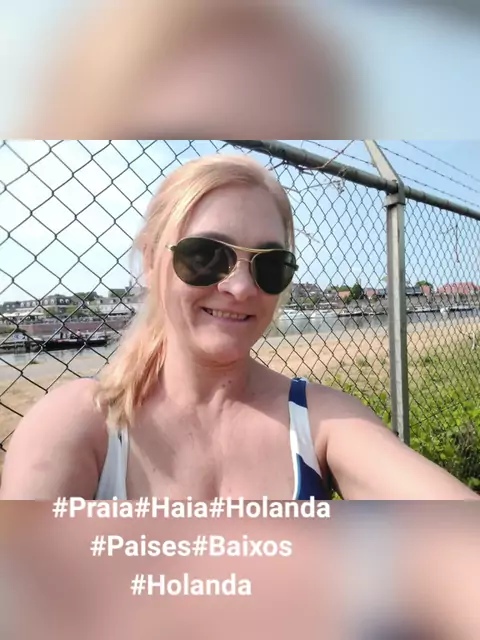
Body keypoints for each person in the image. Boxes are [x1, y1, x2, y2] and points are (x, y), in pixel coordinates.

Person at [0, 154, 478, 500]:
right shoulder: (80, 425)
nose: (242, 287)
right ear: (150, 261)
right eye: (207, 255)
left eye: (269, 264)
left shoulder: (320, 420)